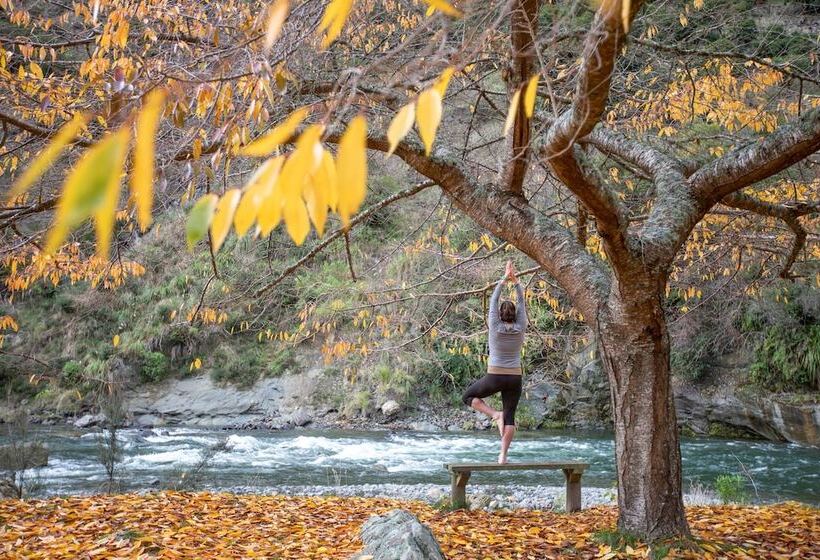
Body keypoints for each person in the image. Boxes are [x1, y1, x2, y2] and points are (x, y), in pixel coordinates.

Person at [462, 260, 527, 464]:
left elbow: (493, 299)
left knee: (468, 396)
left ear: (499, 315)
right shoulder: (521, 325)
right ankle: (503, 456)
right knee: (511, 417)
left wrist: (504, 278)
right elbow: (522, 302)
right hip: (514, 377)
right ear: (515, 315)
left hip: (495, 375)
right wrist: (515, 281)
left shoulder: (494, 325)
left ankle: (494, 414)